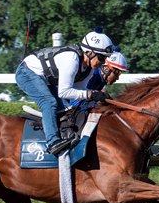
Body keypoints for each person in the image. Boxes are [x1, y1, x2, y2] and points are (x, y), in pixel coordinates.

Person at [15, 27, 114, 155]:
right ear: (89, 53)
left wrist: (94, 97)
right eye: (101, 58)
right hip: (26, 72)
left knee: (66, 108)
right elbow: (64, 92)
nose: (103, 63)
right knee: (49, 102)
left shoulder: (89, 69)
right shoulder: (71, 60)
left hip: (45, 79)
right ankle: (52, 142)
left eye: (105, 59)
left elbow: (78, 92)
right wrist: (90, 94)